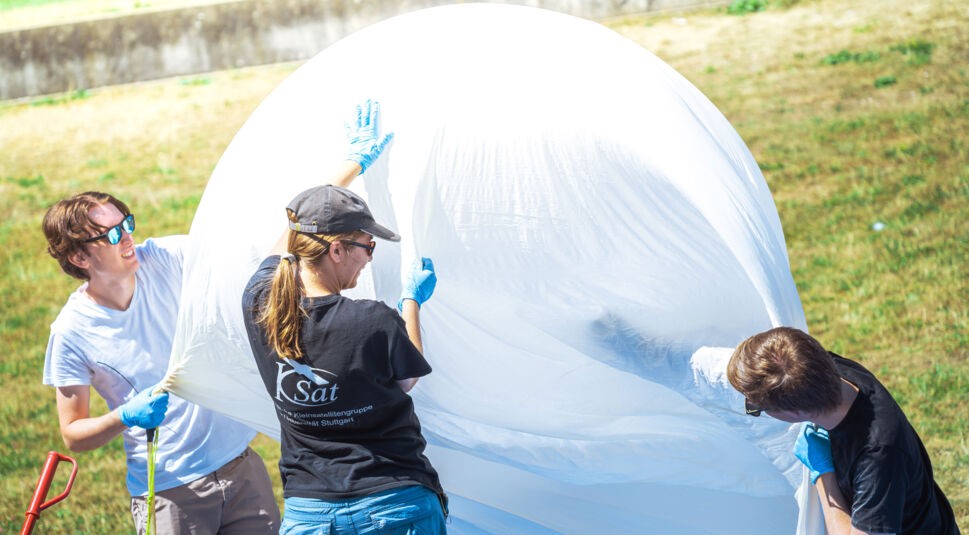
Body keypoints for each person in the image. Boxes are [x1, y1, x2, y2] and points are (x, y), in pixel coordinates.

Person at [241, 99, 447, 534]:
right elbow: (407, 378)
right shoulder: (372, 319)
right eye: (367, 246)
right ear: (336, 250)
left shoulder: (259, 301)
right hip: (393, 502)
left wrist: (352, 163)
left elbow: (294, 233)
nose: (370, 259)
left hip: (310, 513)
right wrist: (411, 300)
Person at [42, 191, 280, 534]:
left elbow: (241, 249)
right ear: (80, 256)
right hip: (171, 491)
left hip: (240, 465)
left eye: (126, 224)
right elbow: (73, 435)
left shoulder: (162, 258)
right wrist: (123, 416)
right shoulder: (72, 332)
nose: (127, 237)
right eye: (111, 234)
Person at [727, 326, 959, 535]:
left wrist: (823, 473)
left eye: (755, 408)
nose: (752, 408)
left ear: (796, 413)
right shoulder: (822, 368)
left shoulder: (877, 457)